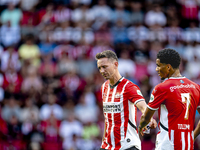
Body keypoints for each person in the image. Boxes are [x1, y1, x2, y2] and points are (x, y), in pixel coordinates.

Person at [139, 48, 200, 150]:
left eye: (158, 65)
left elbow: (146, 118)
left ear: (168, 67)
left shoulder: (162, 88)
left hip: (167, 143)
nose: (156, 69)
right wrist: (192, 136)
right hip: (187, 144)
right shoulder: (196, 87)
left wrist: (141, 126)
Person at [95, 50, 157, 150]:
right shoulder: (104, 87)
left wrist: (149, 118)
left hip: (127, 145)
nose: (102, 71)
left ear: (115, 64)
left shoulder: (128, 87)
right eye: (99, 68)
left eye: (105, 67)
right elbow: (108, 119)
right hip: (107, 146)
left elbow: (143, 106)